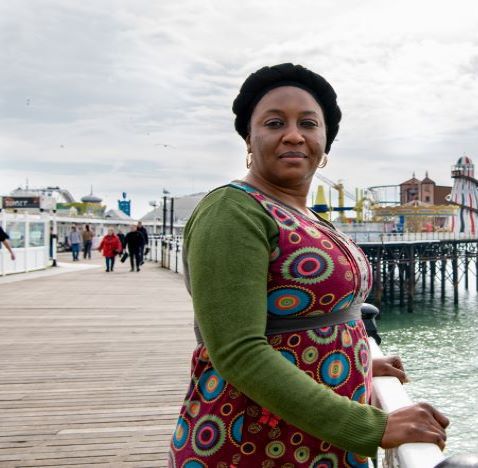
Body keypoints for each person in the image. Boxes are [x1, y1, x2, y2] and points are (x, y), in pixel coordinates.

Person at [169, 63, 448, 467]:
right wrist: (374, 427)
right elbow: (238, 351)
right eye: (275, 122)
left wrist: (360, 360)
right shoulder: (232, 210)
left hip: (318, 440)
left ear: (325, 144)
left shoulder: (308, 214)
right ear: (250, 137)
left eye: (308, 124)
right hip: (253, 444)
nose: (294, 135)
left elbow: (304, 322)